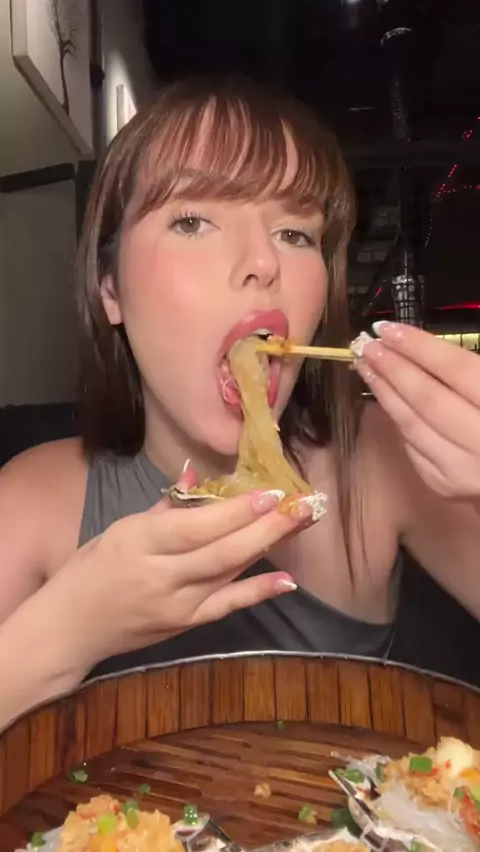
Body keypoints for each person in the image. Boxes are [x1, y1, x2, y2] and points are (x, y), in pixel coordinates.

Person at [0, 77, 479, 731]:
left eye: (295, 233)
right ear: (110, 289)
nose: (262, 262)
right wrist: (71, 627)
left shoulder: (382, 457)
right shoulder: (32, 501)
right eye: (192, 221)